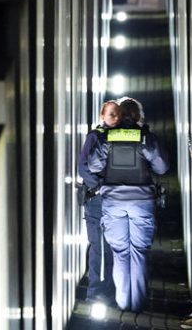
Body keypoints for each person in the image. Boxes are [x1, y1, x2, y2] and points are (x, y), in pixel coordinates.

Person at [88, 99, 168, 312]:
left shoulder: (107, 137)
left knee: (120, 253)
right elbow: (161, 167)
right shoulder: (145, 138)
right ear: (138, 117)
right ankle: (137, 305)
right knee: (139, 253)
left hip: (113, 202)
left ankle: (123, 304)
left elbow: (94, 165)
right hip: (142, 202)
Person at [77, 100, 120, 304]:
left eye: (118, 114)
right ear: (102, 116)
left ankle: (108, 290)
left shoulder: (123, 137)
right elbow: (83, 166)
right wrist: (98, 186)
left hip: (114, 199)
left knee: (111, 247)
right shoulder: (94, 137)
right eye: (111, 114)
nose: (115, 118)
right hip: (97, 199)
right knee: (98, 247)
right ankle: (95, 292)